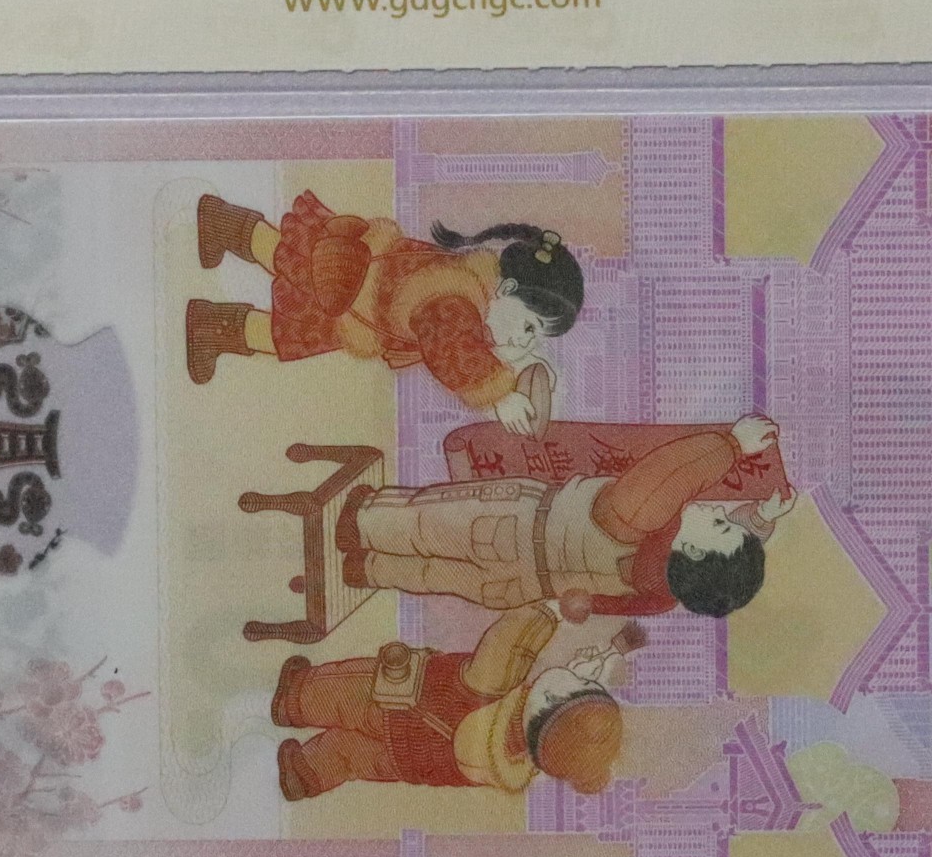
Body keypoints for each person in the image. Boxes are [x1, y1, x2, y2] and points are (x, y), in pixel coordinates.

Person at [185, 192, 582, 433]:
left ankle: (211, 318)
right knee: (286, 265)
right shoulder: (456, 301)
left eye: (535, 336)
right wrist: (499, 395)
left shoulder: (473, 290)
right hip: (353, 288)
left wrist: (523, 368)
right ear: (507, 289)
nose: (526, 340)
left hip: (363, 298)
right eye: (530, 326)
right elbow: (453, 351)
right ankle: (220, 234)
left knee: (288, 301)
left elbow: (472, 341)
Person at [339, 415, 794, 620]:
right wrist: (758, 519)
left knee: (426, 524)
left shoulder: (640, 518)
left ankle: (361, 521)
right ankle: (370, 569)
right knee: (435, 575)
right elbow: (608, 604)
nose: (715, 511)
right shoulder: (663, 595)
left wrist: (733, 444)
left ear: (691, 549)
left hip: (511, 527)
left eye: (719, 524)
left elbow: (670, 474)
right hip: (518, 587)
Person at [271, 605, 645, 799]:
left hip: (396, 706)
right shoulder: (513, 761)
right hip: (407, 762)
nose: (579, 672)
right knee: (350, 757)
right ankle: (307, 772)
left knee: (344, 693)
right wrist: (615, 650)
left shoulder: (494, 687)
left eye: (580, 684)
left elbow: (507, 641)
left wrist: (548, 612)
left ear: (550, 699)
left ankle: (295, 697)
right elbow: (578, 677)